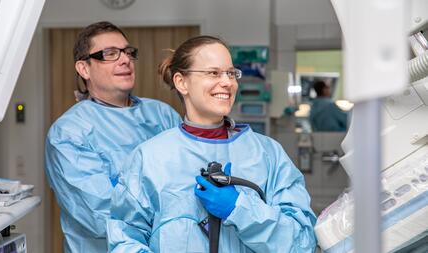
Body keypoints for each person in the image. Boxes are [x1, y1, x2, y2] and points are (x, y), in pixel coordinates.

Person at [107, 35, 317, 252]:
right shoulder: (150, 158)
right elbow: (126, 241)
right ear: (181, 82)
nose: (227, 82)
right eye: (213, 73)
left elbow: (302, 243)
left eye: (231, 73)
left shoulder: (268, 154)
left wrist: (240, 209)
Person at [44, 21, 182, 253]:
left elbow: (190, 180)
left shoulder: (162, 114)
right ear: (84, 69)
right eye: (110, 54)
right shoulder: (69, 132)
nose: (125, 59)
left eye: (128, 52)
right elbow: (101, 217)